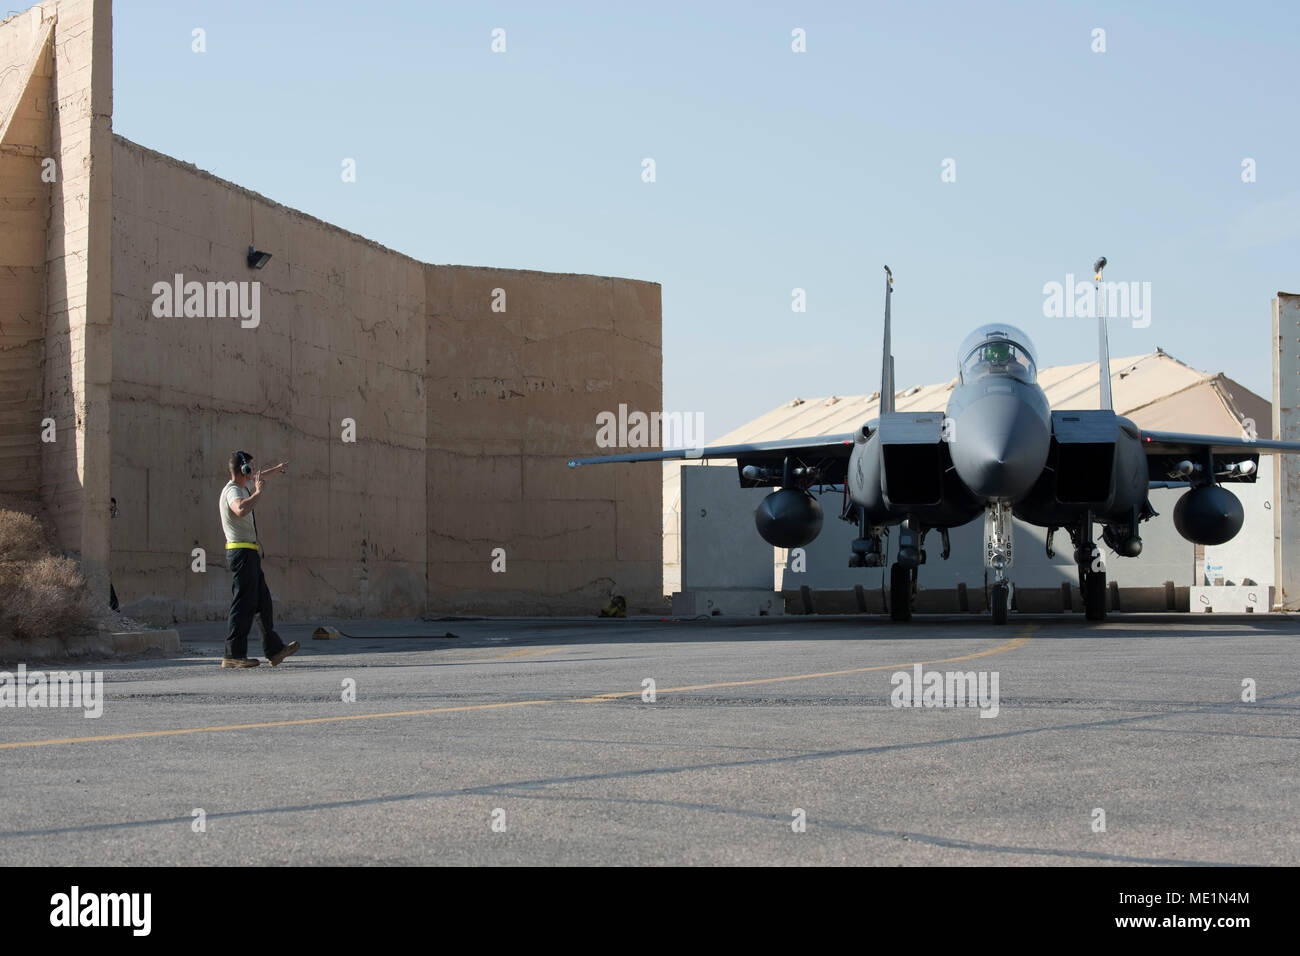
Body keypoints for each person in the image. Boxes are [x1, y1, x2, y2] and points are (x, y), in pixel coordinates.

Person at [219, 450, 299, 668]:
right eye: (250, 468)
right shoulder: (233, 491)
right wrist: (257, 493)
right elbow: (241, 509)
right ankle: (233, 654)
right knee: (243, 604)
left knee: (263, 602)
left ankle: (274, 650)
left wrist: (277, 469)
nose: (254, 472)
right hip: (241, 553)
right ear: (242, 469)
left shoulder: (242, 487)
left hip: (249, 554)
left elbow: (261, 477)